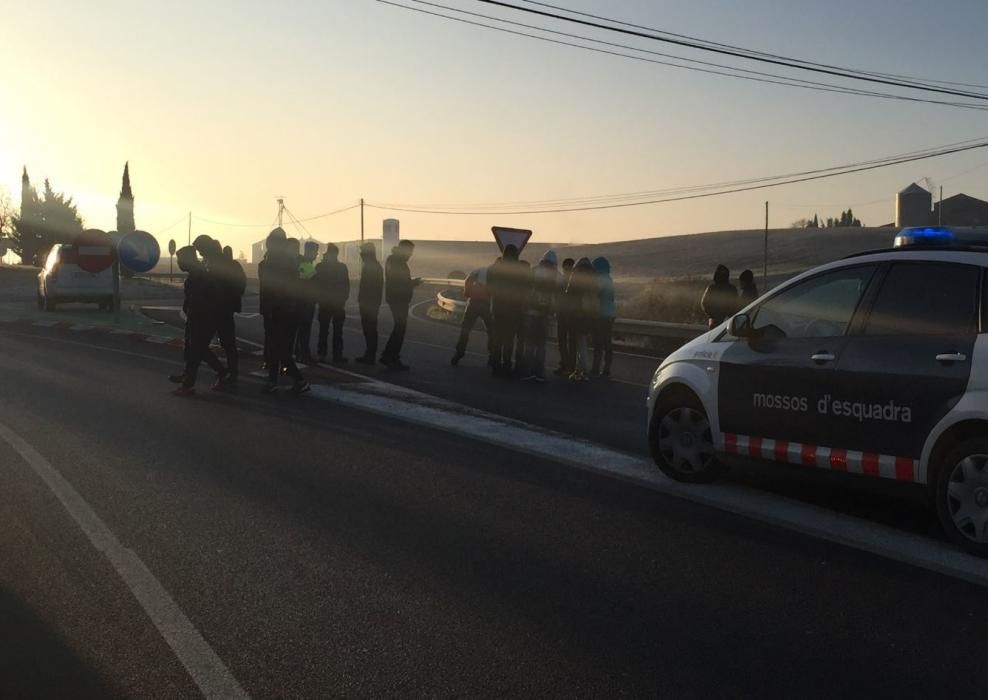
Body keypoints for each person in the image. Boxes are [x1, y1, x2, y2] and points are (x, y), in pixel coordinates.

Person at [172, 246, 228, 396]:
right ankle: (220, 374)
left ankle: (188, 384)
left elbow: (201, 301)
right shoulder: (197, 273)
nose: (179, 263)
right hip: (198, 318)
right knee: (196, 350)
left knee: (195, 351)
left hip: (203, 319)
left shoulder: (199, 276)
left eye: (180, 260)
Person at [264, 236, 309, 393]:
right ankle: (273, 380)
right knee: (278, 347)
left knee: (278, 347)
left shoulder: (276, 261)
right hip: (288, 308)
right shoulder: (289, 260)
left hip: (281, 308)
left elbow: (273, 286)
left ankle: (298, 379)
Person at [201, 238, 244, 389]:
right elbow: (241, 287)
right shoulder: (229, 265)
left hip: (217, 311)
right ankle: (230, 375)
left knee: (201, 345)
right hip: (222, 311)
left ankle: (224, 373)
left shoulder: (212, 266)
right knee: (228, 346)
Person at [488, 244, 530, 378]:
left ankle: (495, 365)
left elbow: (489, 285)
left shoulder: (495, 267)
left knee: (497, 338)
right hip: (513, 309)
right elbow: (526, 287)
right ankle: (507, 365)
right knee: (509, 339)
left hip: (498, 307)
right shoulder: (520, 268)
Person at [381, 240, 420, 370]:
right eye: (410, 252)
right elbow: (399, 281)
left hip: (396, 298)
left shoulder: (393, 260)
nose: (411, 255)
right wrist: (413, 283)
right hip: (398, 298)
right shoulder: (397, 262)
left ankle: (388, 356)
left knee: (398, 329)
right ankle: (392, 358)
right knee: (399, 330)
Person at [520, 250, 558, 382]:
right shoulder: (556, 276)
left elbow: (525, 289)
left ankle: (527, 371)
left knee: (529, 343)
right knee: (541, 345)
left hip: (530, 312)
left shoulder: (534, 271)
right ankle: (539, 373)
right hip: (545, 315)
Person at [451, 266, 494, 367]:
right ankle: (492, 355)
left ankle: (459, 352)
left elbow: (468, 280)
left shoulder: (479, 270)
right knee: (492, 331)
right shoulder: (498, 274)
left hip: (473, 302)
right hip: (487, 305)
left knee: (465, 329)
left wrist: (467, 292)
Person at [314, 243, 350, 364]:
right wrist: (343, 299)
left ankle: (323, 354)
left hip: (327, 303)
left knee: (325, 330)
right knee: (336, 331)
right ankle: (336, 355)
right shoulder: (341, 267)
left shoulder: (320, 267)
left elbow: (316, 284)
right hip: (336, 303)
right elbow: (346, 286)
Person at [563, 257, 598, 382]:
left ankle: (584, 370)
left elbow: (569, 294)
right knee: (582, 341)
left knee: (579, 343)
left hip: (577, 314)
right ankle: (579, 371)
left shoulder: (575, 275)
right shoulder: (593, 277)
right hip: (589, 314)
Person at [258, 227, 287, 370]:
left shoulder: (272, 261)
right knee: (276, 338)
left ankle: (276, 371)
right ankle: (274, 364)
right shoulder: (281, 260)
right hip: (278, 305)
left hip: (276, 305)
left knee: (274, 338)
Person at [356, 242, 383, 365]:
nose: (361, 255)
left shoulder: (372, 266)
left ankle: (370, 355)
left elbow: (372, 287)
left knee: (370, 329)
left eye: (362, 252)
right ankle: (369, 353)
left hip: (370, 303)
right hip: (368, 302)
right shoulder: (370, 265)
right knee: (368, 329)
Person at [591, 256, 616, 378]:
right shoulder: (609, 279)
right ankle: (607, 368)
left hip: (601, 315)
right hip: (611, 314)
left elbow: (596, 295)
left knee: (599, 343)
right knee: (607, 342)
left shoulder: (600, 280)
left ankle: (596, 368)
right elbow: (612, 297)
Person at [295, 240, 319, 364]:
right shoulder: (305, 263)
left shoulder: (302, 262)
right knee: (304, 330)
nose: (316, 255)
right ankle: (303, 354)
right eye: (315, 252)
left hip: (302, 302)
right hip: (305, 303)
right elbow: (311, 283)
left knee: (301, 330)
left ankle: (298, 352)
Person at [554, 258, 576, 376]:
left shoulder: (562, 280)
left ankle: (566, 365)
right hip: (570, 315)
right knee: (570, 342)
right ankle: (570, 366)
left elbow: (556, 297)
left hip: (563, 314)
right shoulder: (575, 281)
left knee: (563, 341)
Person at [700, 264, 738, 328]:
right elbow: (704, 303)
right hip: (720, 322)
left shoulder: (712, 288)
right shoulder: (731, 288)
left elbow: (704, 303)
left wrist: (713, 316)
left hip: (724, 321)